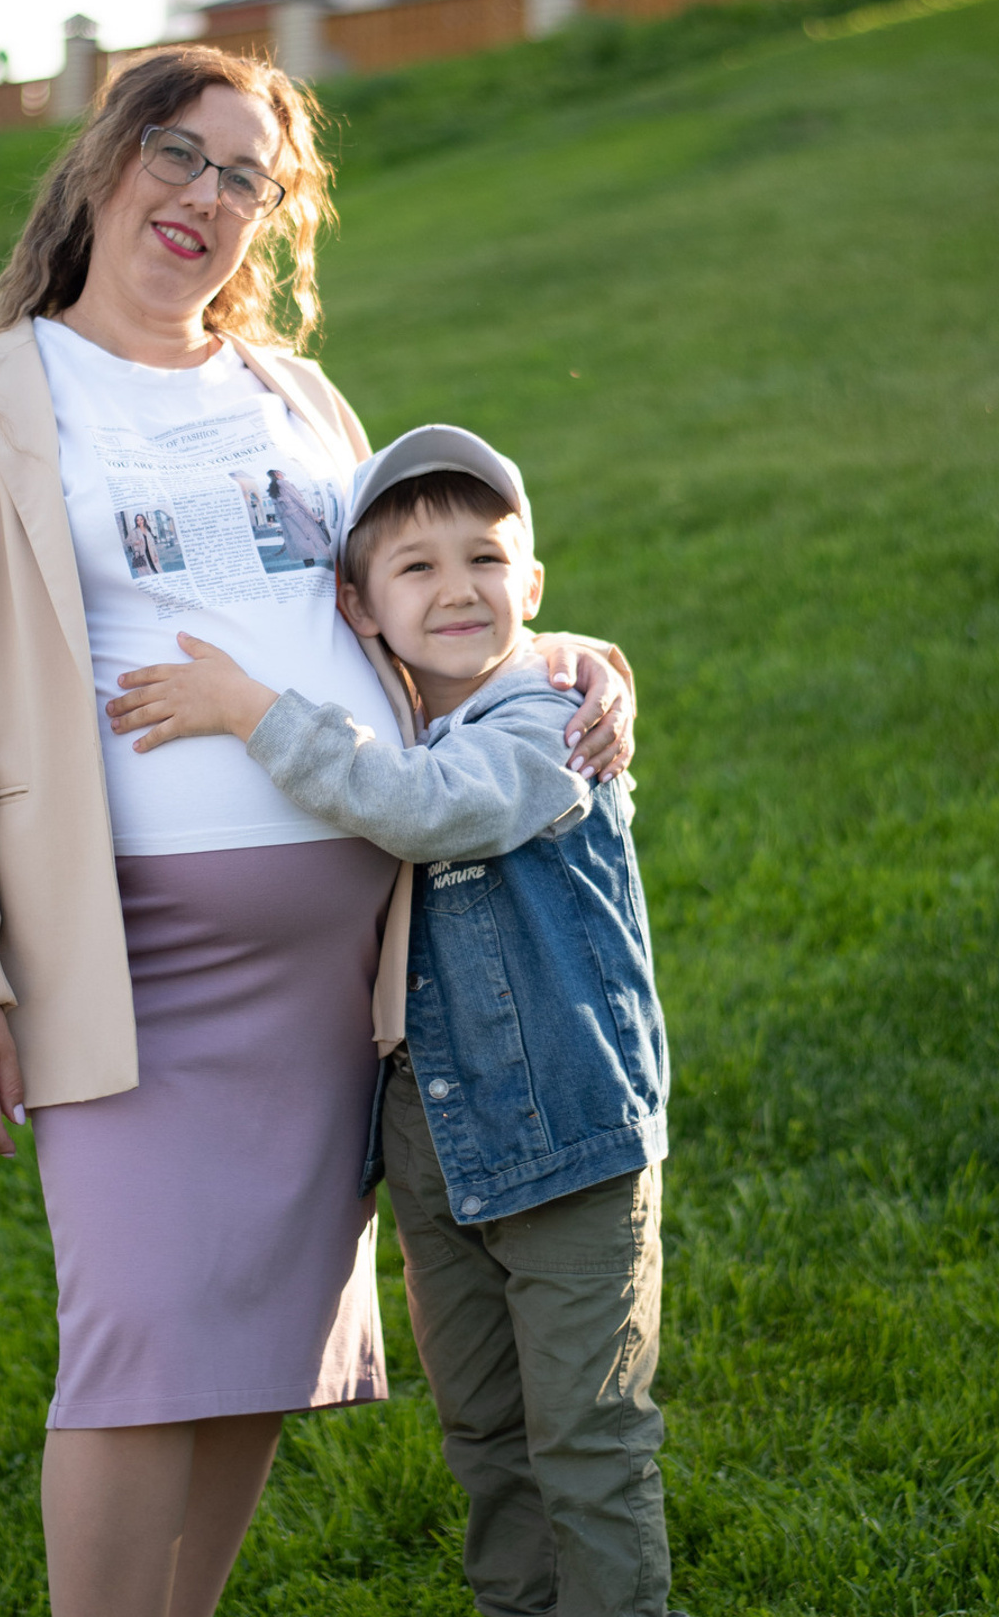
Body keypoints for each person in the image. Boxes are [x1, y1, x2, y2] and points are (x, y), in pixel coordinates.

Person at [0, 47, 638, 1617]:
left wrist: (557, 660)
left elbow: (411, 607)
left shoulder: (292, 397)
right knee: (141, 1333)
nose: (206, 199)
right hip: (132, 955)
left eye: (248, 179)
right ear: (104, 161)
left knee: (255, 1343)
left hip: (346, 971)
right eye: (181, 154)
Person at [105, 424, 672, 1617]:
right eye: (417, 568)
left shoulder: (550, 727)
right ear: (359, 607)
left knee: (586, 1443)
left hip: (564, 1132)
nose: (457, 587)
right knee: (487, 1438)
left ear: (531, 583)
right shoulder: (421, 713)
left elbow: (420, 808)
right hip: (434, 1149)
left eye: (484, 559)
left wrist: (248, 708)